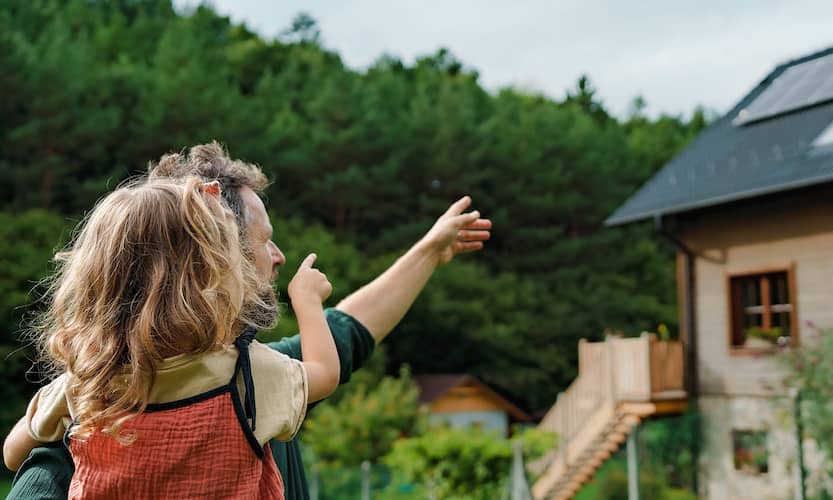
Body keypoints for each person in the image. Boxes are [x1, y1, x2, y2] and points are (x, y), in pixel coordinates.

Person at [6, 143, 491, 499]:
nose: (279, 257)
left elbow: (349, 330)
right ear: (219, 259)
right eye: (265, 240)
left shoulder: (85, 398)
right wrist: (308, 302)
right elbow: (327, 361)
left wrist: (428, 252)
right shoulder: (251, 384)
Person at [3, 176, 341, 499]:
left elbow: (13, 453)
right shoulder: (243, 374)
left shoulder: (86, 386)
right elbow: (324, 373)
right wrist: (307, 301)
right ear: (214, 281)